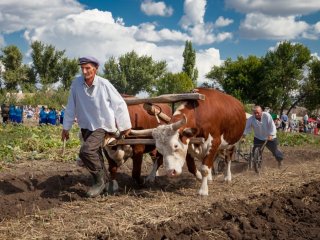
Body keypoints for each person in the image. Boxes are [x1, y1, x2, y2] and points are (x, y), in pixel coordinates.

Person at [61, 56, 131, 198]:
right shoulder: (76, 84)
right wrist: (65, 128)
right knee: (96, 155)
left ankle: (98, 182)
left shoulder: (104, 84)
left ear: (95, 69)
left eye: (88, 68)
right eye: (82, 68)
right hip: (86, 125)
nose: (85, 71)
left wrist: (125, 125)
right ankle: (107, 184)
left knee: (86, 152)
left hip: (102, 125)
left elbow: (119, 104)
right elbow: (70, 106)